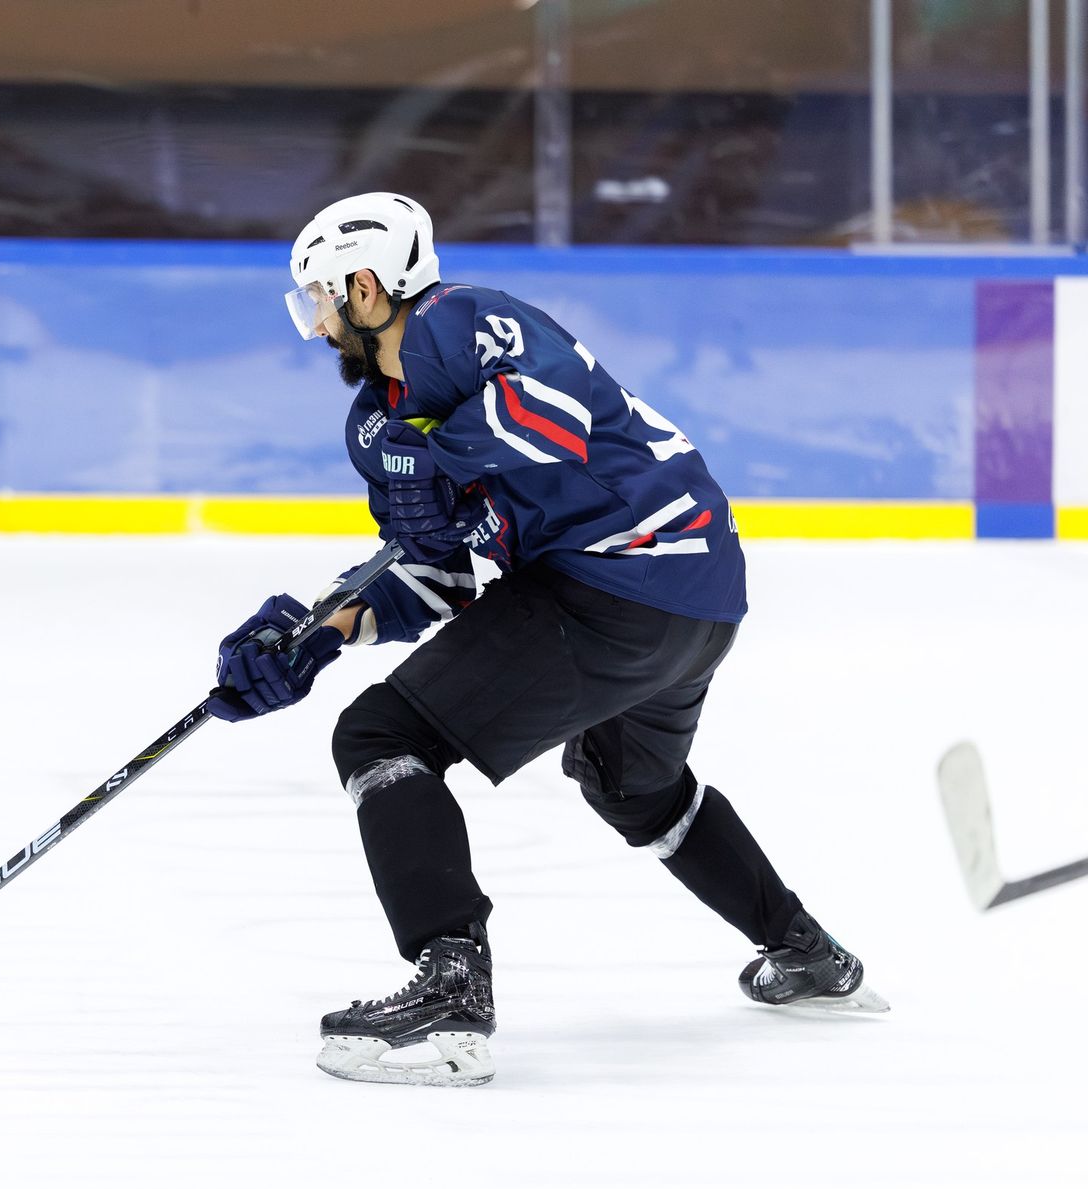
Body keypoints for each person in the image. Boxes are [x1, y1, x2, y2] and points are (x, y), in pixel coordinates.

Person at [206, 192, 886, 1088]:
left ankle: (452, 987)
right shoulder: (381, 420)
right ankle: (806, 951)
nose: (319, 326)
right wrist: (318, 632)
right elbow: (441, 575)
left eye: (322, 300)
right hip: (696, 597)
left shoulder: (464, 322)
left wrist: (434, 457)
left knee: (380, 735)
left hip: (624, 578)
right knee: (631, 785)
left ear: (365, 287)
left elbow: (550, 420)